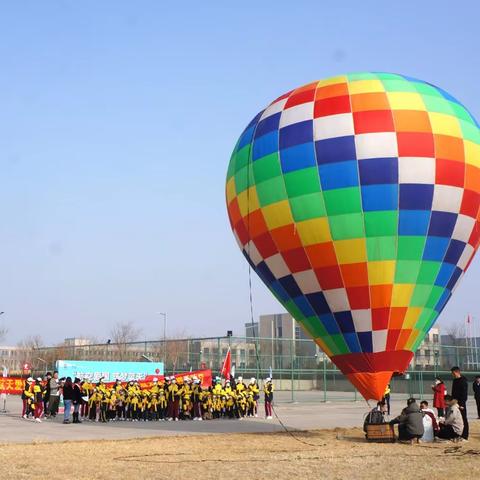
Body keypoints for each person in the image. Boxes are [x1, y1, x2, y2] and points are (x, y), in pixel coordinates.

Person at [451, 366, 468, 440]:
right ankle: (457, 434)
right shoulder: (455, 381)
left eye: (453, 373)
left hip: (461, 404)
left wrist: (461, 404)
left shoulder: (463, 381)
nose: (452, 375)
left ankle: (465, 435)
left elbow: (464, 394)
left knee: (463, 419)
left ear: (456, 372)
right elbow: (453, 392)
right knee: (456, 419)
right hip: (454, 403)